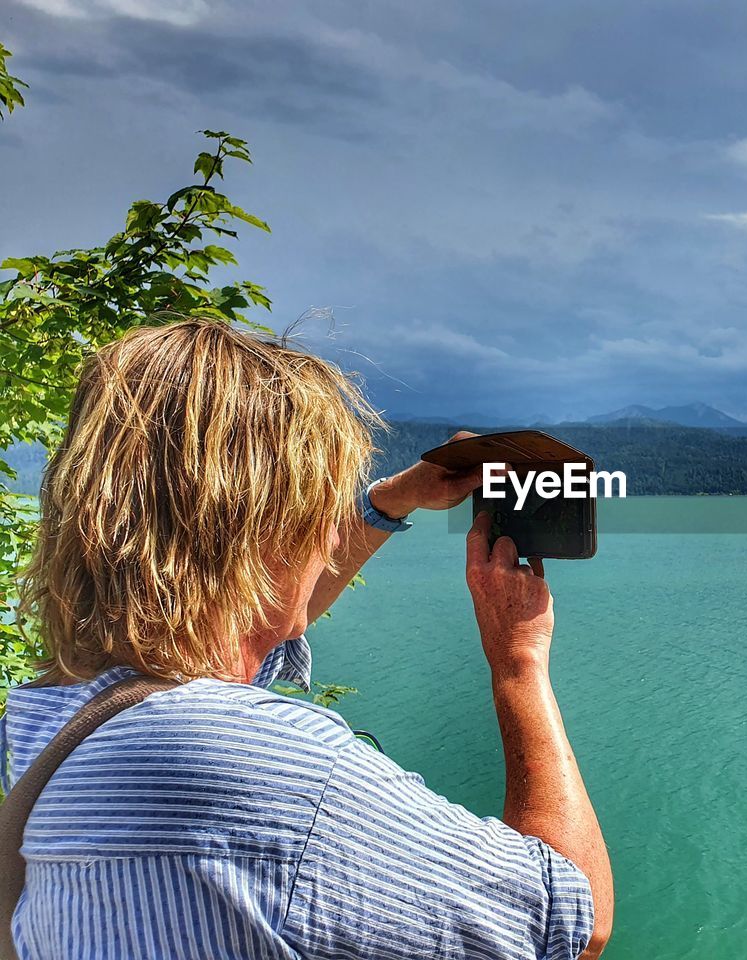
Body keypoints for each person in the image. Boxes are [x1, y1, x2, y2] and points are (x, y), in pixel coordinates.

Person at [0, 319, 612, 959]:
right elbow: (575, 921)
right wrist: (519, 660)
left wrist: (388, 502)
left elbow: (247, 625)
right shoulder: (268, 766)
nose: (326, 542)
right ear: (264, 532)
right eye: (317, 510)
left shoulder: (51, 716)